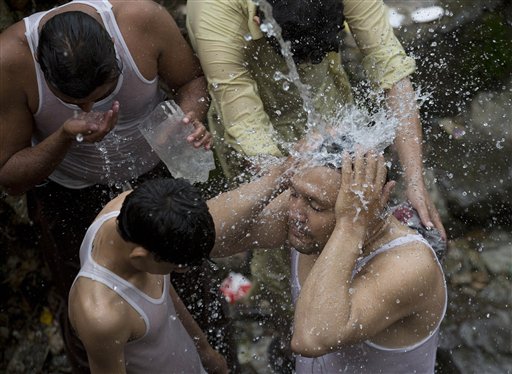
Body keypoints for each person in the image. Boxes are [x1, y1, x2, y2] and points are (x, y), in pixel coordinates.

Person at [0, 1, 236, 372]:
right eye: (75, 102)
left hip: (153, 180)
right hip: (71, 194)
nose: (92, 107)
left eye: (103, 92)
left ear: (114, 47)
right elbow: (10, 175)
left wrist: (189, 118)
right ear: (43, 70)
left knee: (191, 282)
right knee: (90, 310)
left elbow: (191, 81)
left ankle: (221, 362)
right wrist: (64, 136)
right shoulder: (11, 60)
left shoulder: (141, 21)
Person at [186, 0, 445, 235]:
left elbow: (393, 71)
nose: (309, 62)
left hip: (325, 93)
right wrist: (296, 202)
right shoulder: (214, 9)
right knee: (288, 233)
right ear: (260, 21)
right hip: (252, 108)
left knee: (350, 208)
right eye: (303, 57)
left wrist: (415, 181)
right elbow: (246, 128)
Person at [207, 145, 447, 373]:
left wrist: (351, 226)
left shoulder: (409, 265)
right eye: (293, 193)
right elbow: (202, 237)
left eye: (316, 205)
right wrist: (278, 176)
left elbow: (310, 338)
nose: (295, 214)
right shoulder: (305, 210)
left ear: (365, 206)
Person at [68, 178, 228, 373]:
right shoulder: (102, 315)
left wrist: (205, 351)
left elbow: (167, 296)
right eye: (177, 267)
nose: (184, 270)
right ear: (140, 256)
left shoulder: (134, 209)